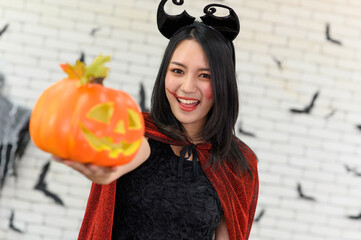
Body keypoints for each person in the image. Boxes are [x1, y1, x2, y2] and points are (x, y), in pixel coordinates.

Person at [54, 1, 259, 239]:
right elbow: (110, 167)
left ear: (223, 83)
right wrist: (96, 166)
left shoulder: (238, 164)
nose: (187, 87)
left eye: (205, 75)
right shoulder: (138, 134)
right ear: (165, 74)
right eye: (178, 71)